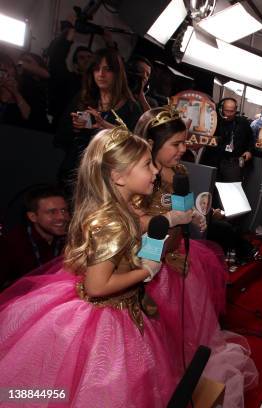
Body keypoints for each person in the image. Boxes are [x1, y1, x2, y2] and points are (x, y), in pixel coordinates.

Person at [0, 127, 184, 406]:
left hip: (125, 308)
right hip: (106, 319)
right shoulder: (111, 222)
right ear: (118, 176)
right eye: (147, 165)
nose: (155, 171)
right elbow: (97, 286)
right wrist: (146, 270)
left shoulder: (122, 210)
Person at [133, 107, 258, 406]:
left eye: (184, 142)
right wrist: (167, 228)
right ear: (151, 143)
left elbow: (184, 208)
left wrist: (197, 216)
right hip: (145, 266)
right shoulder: (138, 173)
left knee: (184, 338)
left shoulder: (180, 172)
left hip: (177, 257)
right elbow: (133, 223)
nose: (183, 149)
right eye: (176, 144)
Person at [54, 48, 142, 193]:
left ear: (117, 73)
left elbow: (135, 146)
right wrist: (76, 128)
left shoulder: (131, 107)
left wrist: (105, 126)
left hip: (107, 179)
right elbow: (60, 137)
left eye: (107, 69)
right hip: (75, 172)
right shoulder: (83, 99)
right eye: (96, 69)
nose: (101, 74)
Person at [0, 185, 70, 289]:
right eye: (52, 212)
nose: (62, 217)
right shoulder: (11, 244)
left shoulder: (71, 239)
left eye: (64, 210)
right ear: (33, 217)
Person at [201, 97, 254, 182]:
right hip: (214, 160)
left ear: (236, 110)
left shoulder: (243, 123)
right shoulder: (214, 121)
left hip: (233, 162)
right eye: (226, 111)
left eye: (232, 111)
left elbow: (251, 139)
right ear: (222, 109)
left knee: (230, 188)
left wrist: (249, 151)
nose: (229, 114)